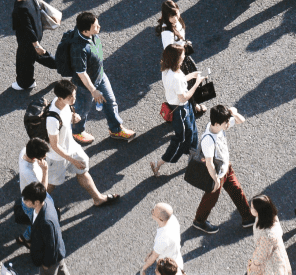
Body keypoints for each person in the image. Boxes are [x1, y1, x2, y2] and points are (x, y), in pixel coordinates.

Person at [37, 81, 123, 208]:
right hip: (57, 157)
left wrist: (73, 116)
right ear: (60, 98)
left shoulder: (64, 102)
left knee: (83, 170)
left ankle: (98, 198)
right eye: (70, 97)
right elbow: (54, 146)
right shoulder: (52, 119)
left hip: (71, 147)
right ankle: (36, 204)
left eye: (74, 95)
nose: (74, 99)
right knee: (51, 184)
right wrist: (73, 160)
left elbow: (66, 116)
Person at [58, 13, 138, 143]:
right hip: (84, 85)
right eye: (95, 26)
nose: (99, 27)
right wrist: (93, 90)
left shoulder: (88, 34)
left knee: (110, 102)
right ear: (85, 31)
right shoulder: (79, 49)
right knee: (82, 111)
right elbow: (81, 73)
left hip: (99, 76)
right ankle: (76, 131)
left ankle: (116, 129)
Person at [14, 184, 77, 275]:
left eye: (26, 200)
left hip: (50, 257)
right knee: (62, 273)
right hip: (57, 252)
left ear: (36, 202)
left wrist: (46, 264)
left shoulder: (46, 220)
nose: (23, 201)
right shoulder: (46, 202)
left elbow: (50, 246)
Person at [189, 104, 253, 233]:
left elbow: (242, 120)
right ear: (217, 123)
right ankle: (199, 221)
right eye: (226, 123)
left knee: (237, 190)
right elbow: (209, 164)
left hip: (226, 168)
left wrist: (233, 113)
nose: (228, 125)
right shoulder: (208, 140)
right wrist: (216, 180)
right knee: (210, 199)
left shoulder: (218, 126)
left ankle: (248, 218)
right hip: (217, 174)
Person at [152, 46, 202, 176]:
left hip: (180, 107)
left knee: (192, 131)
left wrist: (193, 75)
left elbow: (179, 83)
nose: (184, 56)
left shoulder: (167, 70)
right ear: (176, 59)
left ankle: (194, 155)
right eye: (182, 55)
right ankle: (158, 163)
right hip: (181, 110)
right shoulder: (176, 76)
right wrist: (197, 83)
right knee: (181, 139)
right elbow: (184, 96)